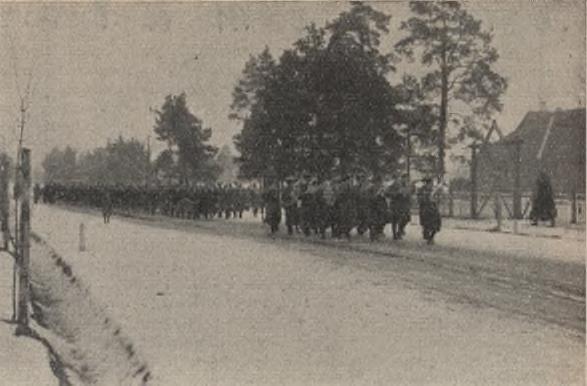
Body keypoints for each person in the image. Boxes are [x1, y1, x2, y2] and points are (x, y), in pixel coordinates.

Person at [417, 177, 441, 244]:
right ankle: (427, 235)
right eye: (429, 183)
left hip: (433, 209)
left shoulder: (433, 190)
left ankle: (431, 237)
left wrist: (435, 200)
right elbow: (419, 199)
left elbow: (437, 199)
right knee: (427, 224)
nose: (431, 185)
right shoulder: (422, 190)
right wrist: (426, 198)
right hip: (425, 208)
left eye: (431, 183)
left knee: (436, 224)